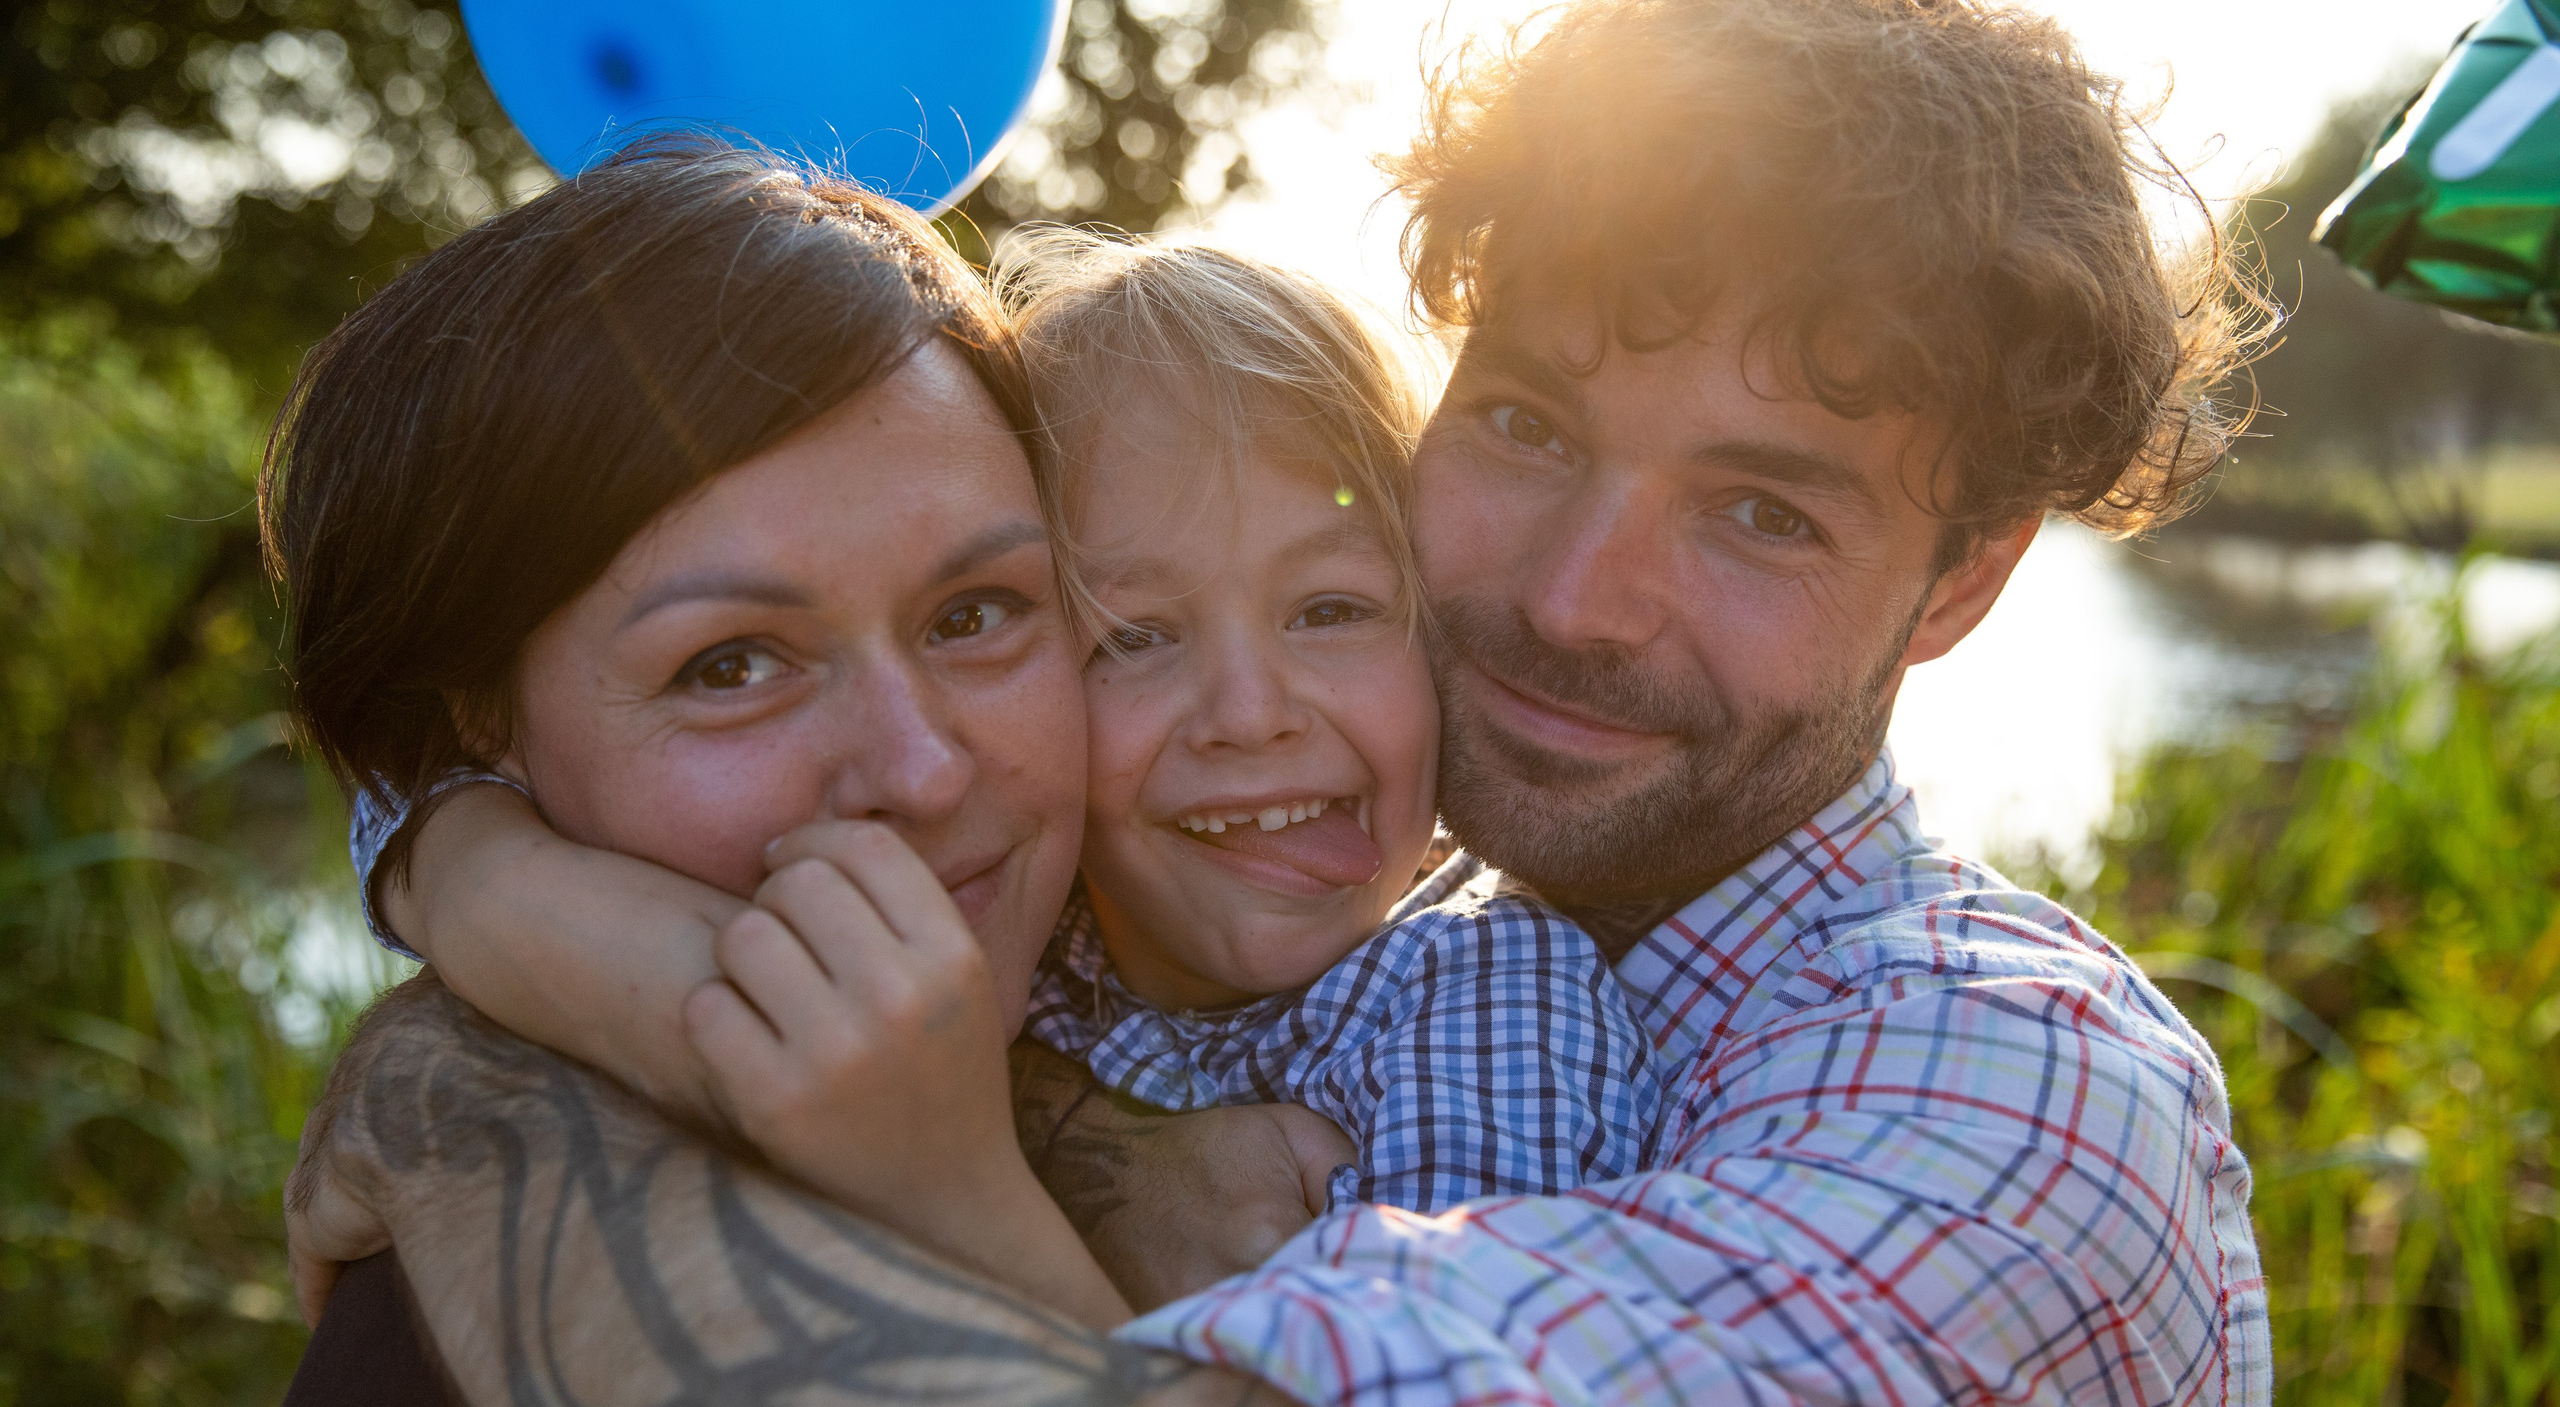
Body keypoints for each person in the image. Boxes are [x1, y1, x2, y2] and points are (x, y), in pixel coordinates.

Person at [261, 0, 2271, 1407]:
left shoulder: (2011, 1096)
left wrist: (478, 1084)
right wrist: (475, 873)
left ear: (1961, 582)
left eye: (1758, 511)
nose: (1572, 598)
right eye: (1527, 424)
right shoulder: (1257, 900)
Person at [339, 235, 1669, 1292]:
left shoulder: (1483, 1011)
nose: (1253, 714)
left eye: (1331, 609)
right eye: (1131, 636)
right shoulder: (1059, 938)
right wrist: (465, 870)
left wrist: (956, 1184)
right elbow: (399, 759)